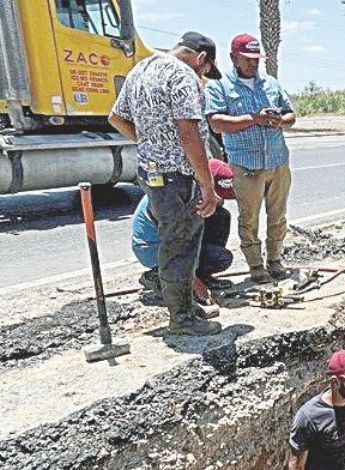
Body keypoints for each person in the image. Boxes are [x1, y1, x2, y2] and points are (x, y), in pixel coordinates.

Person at [108, 31, 223, 337]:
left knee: (174, 242)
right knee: (181, 246)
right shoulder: (183, 76)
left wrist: (148, 144)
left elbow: (116, 118)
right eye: (206, 70)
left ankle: (182, 307)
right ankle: (183, 320)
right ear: (201, 58)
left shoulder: (141, 70)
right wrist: (206, 182)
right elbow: (188, 131)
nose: (204, 76)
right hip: (178, 178)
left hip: (152, 173)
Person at [205, 33, 297, 284]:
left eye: (257, 59)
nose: (253, 64)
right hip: (245, 166)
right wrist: (254, 118)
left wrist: (279, 120)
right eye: (247, 59)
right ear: (233, 57)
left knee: (278, 216)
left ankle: (275, 261)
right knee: (249, 219)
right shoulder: (219, 86)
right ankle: (256, 266)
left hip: (277, 162)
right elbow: (216, 123)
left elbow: (291, 115)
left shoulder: (271, 83)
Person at [133, 158, 236, 296]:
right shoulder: (179, 197)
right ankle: (159, 277)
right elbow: (174, 243)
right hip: (152, 248)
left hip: (172, 239)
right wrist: (195, 284)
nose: (219, 200)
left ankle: (201, 275)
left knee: (221, 216)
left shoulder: (192, 189)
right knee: (220, 258)